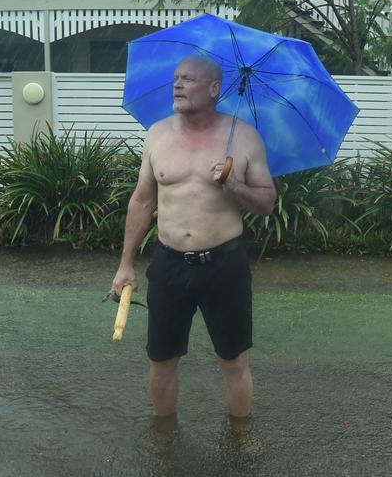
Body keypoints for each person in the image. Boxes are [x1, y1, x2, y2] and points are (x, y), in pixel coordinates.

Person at [111, 54, 276, 422]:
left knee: (234, 361)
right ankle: (164, 434)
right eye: (176, 77)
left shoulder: (245, 137)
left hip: (224, 265)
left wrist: (234, 185)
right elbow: (142, 199)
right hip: (169, 264)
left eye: (188, 79)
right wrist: (126, 264)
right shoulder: (158, 134)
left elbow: (267, 202)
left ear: (215, 89)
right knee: (161, 360)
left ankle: (240, 435)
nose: (177, 84)